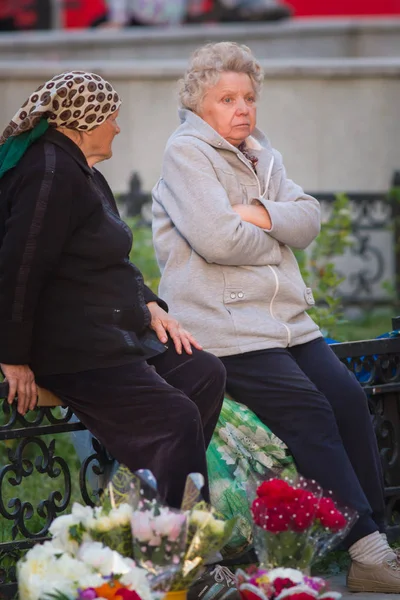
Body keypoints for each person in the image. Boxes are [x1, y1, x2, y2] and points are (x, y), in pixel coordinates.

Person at [152, 41, 400, 594]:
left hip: (288, 322)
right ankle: (367, 548)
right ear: (200, 105)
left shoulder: (265, 154)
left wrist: (257, 215)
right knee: (310, 412)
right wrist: (276, 236)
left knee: (350, 401)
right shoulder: (186, 152)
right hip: (225, 328)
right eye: (227, 99)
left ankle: (374, 551)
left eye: (248, 98)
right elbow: (217, 240)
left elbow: (309, 219)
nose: (242, 109)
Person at [0, 70, 226, 513]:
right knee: (175, 417)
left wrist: (150, 304)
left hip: (111, 333)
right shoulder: (49, 171)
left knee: (203, 372)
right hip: (75, 348)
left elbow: (107, 256)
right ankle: (178, 554)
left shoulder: (78, 167)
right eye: (112, 117)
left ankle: (138, 509)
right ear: (85, 119)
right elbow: (20, 266)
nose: (117, 127)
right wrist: (12, 356)